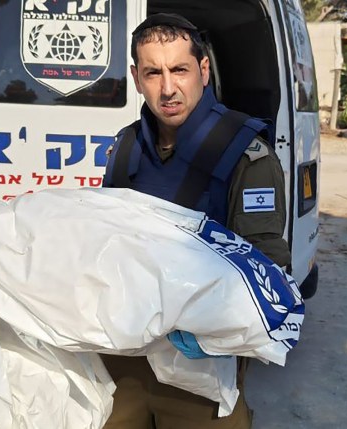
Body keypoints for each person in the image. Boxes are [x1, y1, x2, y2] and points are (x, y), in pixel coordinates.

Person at [101, 13, 290, 428]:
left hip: (200, 367)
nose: (168, 88)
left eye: (180, 70)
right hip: (125, 354)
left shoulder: (245, 154)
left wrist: (214, 331)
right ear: (136, 77)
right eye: (153, 73)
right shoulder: (126, 147)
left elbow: (270, 269)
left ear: (203, 70)